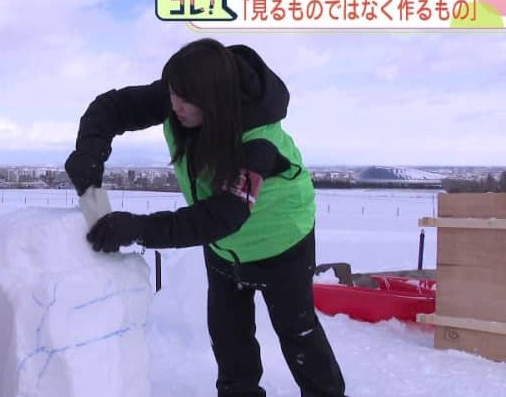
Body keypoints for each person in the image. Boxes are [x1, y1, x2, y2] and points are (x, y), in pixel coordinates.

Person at [65, 38, 346, 397]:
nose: (175, 107)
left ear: (214, 101)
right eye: (172, 95)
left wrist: (138, 228)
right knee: (229, 336)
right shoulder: (179, 95)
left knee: (297, 331)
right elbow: (112, 107)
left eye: (186, 100)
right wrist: (89, 152)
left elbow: (224, 214)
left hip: (280, 239)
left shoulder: (257, 140)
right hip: (223, 246)